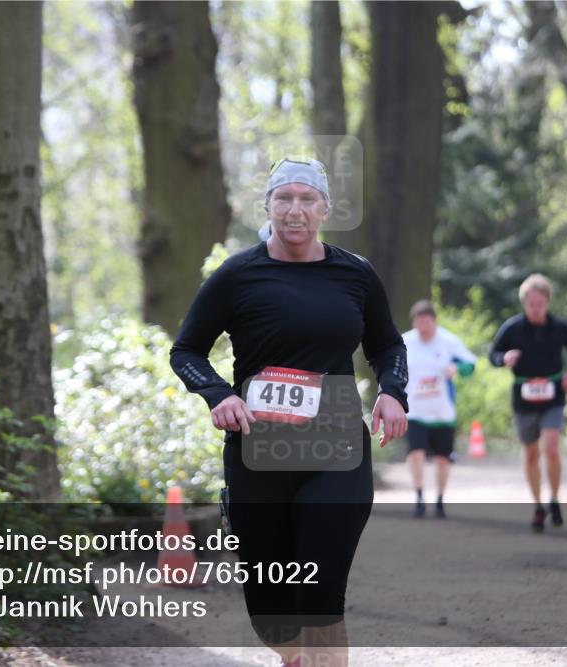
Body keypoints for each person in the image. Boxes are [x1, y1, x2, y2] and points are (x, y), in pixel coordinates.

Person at [170, 157, 408, 667]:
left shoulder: (356, 275)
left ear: (325, 209)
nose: (295, 209)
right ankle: (292, 655)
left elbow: (387, 346)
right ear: (269, 207)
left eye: (306, 199)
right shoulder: (237, 275)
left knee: (321, 595)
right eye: (284, 198)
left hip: (336, 446)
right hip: (260, 453)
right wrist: (218, 394)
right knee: (273, 613)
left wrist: (393, 391)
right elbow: (185, 350)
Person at [489, 274, 567, 532]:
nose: (536, 309)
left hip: (553, 396)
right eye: (531, 304)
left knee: (551, 447)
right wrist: (504, 358)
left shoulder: (560, 328)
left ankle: (554, 498)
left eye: (540, 304)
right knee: (531, 454)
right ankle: (538, 506)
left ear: (548, 302)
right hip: (524, 397)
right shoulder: (512, 328)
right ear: (524, 303)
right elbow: (492, 354)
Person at [402, 299, 476, 519]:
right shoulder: (405, 342)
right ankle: (419, 497)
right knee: (415, 454)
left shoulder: (448, 341)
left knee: (442, 459)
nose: (423, 326)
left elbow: (471, 364)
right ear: (414, 322)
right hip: (414, 410)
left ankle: (440, 499)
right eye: (419, 321)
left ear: (434, 321)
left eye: (427, 321)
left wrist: (457, 368)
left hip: (443, 413)